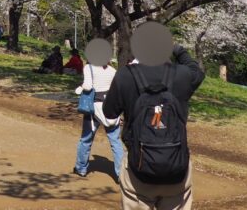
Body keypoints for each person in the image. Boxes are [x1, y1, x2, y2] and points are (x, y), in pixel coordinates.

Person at [103, 22, 205, 210]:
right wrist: (179, 50)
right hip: (177, 169)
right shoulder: (182, 75)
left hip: (138, 166)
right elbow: (197, 70)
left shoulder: (125, 76)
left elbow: (109, 113)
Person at [73, 38, 125, 182]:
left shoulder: (89, 67)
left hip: (93, 108)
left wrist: (80, 87)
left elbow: (88, 86)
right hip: (110, 108)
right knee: (115, 141)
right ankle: (121, 174)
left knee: (86, 139)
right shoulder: (112, 70)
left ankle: (81, 168)